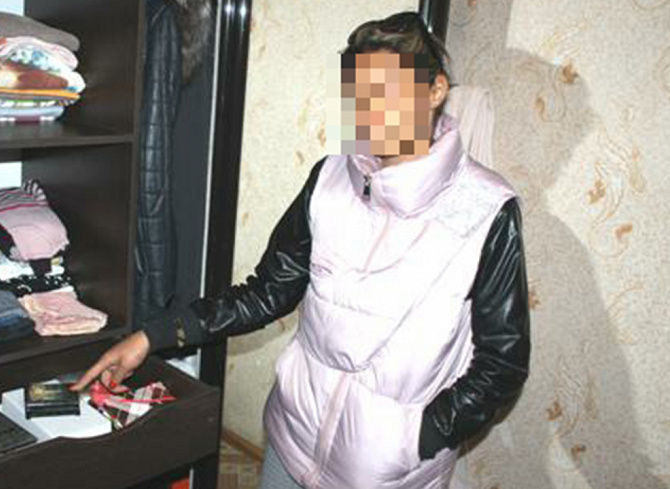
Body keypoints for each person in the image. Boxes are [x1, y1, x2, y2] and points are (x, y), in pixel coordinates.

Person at [71, 11, 530, 489]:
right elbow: (267, 292)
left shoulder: (484, 209)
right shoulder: (331, 178)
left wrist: (419, 437)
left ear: (434, 91)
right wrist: (153, 336)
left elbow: (503, 361)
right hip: (294, 439)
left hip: (385, 472)